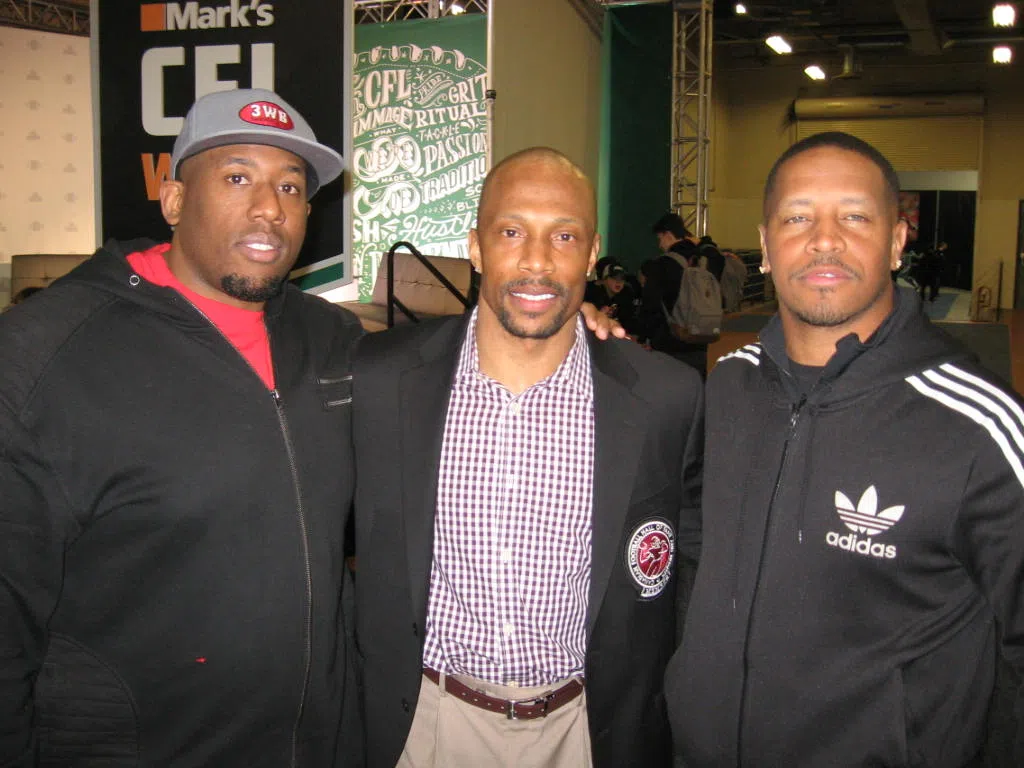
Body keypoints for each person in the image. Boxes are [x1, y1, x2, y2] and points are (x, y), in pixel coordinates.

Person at [0, 88, 364, 766]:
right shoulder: (42, 354)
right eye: (238, 177)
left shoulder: (333, 340)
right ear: (173, 200)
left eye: (291, 186)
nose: (270, 207)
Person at [665, 131, 1024, 766]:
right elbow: (694, 554)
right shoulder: (728, 387)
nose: (824, 239)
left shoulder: (979, 426)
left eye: (854, 217)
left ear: (897, 241)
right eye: (797, 218)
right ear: (766, 246)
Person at [352, 147, 703, 768]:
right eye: (511, 232)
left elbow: (690, 571)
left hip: (588, 729)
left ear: (592, 253)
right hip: (426, 723)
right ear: (476, 247)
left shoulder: (665, 398)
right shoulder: (382, 380)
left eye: (563, 236)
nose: (537, 261)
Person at [636, 213, 712, 377]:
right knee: (696, 386)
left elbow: (650, 305)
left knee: (670, 386)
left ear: (668, 235)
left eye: (660, 239)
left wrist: (644, 336)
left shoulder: (661, 265)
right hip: (700, 339)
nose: (660, 244)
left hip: (669, 343)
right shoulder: (702, 260)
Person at [583, 258, 638, 334]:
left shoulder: (626, 295)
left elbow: (628, 323)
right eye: (614, 278)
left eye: (622, 278)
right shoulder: (591, 292)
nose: (618, 282)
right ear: (604, 279)